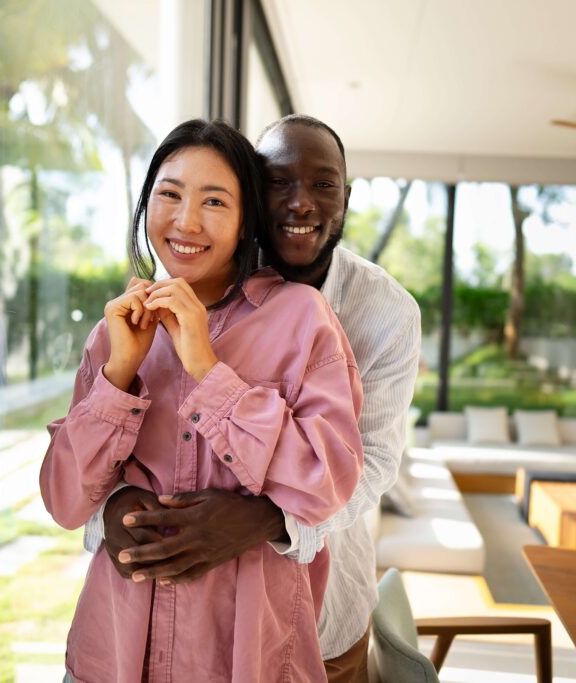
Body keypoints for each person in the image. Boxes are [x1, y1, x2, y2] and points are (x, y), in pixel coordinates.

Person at [89, 115, 422, 681]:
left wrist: (269, 519)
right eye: (276, 182)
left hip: (326, 617)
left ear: (346, 195)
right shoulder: (190, 290)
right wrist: (112, 502)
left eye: (323, 184)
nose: (300, 204)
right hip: (168, 626)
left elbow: (373, 463)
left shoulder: (387, 313)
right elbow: (124, 443)